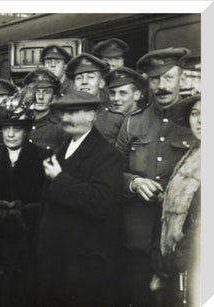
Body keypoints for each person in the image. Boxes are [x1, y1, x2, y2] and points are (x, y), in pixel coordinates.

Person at [115, 47, 196, 306]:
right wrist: (133, 182)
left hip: (178, 238)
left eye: (168, 78)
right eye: (154, 79)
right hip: (137, 235)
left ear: (182, 80)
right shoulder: (132, 123)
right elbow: (111, 171)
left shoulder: (196, 120)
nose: (161, 86)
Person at [32, 91, 123, 306]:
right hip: (56, 260)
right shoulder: (62, 149)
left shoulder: (107, 154)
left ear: (92, 115)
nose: (66, 119)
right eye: (64, 113)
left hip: (82, 262)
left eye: (73, 113)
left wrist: (60, 178)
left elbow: (100, 202)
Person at [0, 101, 45, 307]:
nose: (11, 134)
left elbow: (48, 202)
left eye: (17, 129)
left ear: (26, 131)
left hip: (28, 245)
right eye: (6, 128)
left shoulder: (41, 157)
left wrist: (21, 215)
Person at [150, 95, 201, 307]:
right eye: (196, 114)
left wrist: (168, 266)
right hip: (180, 263)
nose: (200, 121)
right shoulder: (194, 152)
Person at [95, 67, 147, 144]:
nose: (116, 98)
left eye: (123, 93)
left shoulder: (146, 121)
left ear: (137, 95)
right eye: (112, 93)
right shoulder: (101, 120)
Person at [23, 68, 65, 155]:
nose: (40, 97)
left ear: (53, 96)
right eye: (36, 92)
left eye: (46, 92)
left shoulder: (59, 127)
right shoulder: (21, 122)